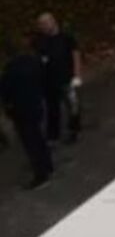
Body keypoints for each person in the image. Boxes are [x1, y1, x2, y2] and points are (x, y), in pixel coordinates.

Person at [1, 36, 53, 189]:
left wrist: (8, 107)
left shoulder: (9, 70)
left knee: (30, 142)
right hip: (36, 104)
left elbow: (5, 91)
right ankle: (47, 164)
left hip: (21, 110)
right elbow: (43, 78)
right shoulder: (32, 61)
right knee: (39, 137)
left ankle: (41, 174)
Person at [32, 13, 82, 143]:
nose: (43, 27)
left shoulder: (66, 37)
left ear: (53, 22)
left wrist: (77, 74)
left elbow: (75, 55)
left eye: (45, 23)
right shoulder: (39, 41)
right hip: (49, 81)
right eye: (41, 25)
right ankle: (53, 135)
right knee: (52, 108)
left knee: (72, 105)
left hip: (66, 78)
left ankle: (74, 130)